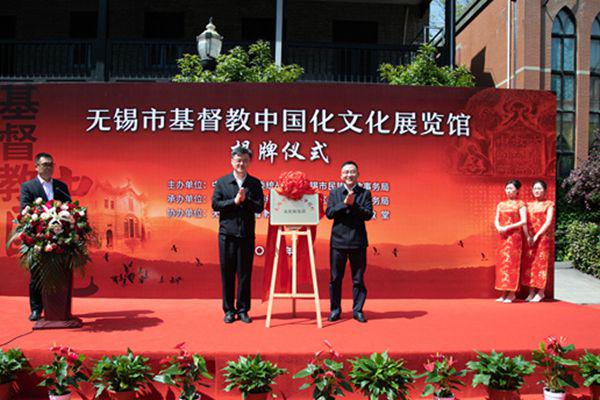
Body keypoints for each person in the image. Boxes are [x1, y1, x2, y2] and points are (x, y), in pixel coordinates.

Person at [211, 146, 264, 324]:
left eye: (245, 160)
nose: (241, 163)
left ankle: (243, 310)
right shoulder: (222, 182)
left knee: (244, 274)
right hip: (227, 235)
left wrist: (245, 200)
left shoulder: (255, 183)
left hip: (246, 235)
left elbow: (259, 207)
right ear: (232, 161)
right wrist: (234, 201)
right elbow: (215, 204)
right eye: (238, 160)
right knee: (227, 273)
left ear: (249, 162)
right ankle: (228, 310)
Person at [19, 152, 71, 321]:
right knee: (36, 274)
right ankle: (36, 309)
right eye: (45, 164)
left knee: (60, 273)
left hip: (59, 237)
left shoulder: (60, 186)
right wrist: (42, 217)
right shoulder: (28, 186)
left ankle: (59, 308)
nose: (48, 167)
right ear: (37, 167)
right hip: (38, 237)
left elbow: (69, 207)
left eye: (51, 164)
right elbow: (24, 209)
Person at [325, 161, 373, 323]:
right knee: (335, 278)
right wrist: (344, 204)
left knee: (358, 279)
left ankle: (358, 310)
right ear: (341, 176)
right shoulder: (335, 193)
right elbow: (329, 213)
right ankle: (335, 310)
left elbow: (368, 214)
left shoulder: (365, 193)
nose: (349, 175)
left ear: (358, 175)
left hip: (358, 242)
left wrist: (354, 205)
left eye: (352, 172)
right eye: (346, 172)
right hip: (338, 243)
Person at [494, 179, 526, 303]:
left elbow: (523, 221)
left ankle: (512, 293)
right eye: (507, 188)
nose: (508, 191)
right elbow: (496, 219)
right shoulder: (501, 204)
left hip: (514, 237)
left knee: (512, 264)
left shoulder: (520, 204)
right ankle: (503, 293)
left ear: (517, 190)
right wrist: (498, 227)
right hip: (502, 237)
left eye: (511, 188)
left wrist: (508, 227)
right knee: (502, 264)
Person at [522, 180, 555, 302]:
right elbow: (524, 221)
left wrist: (537, 236)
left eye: (539, 188)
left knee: (541, 264)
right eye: (535, 188)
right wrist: (528, 236)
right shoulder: (528, 205)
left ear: (545, 191)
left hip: (542, 238)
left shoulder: (549, 204)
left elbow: (548, 221)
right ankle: (531, 292)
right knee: (530, 264)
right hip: (530, 238)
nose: (537, 191)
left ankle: (541, 292)